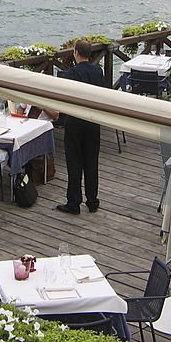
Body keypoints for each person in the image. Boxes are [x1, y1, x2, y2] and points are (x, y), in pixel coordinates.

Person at [55, 40, 106, 215]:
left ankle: (74, 202)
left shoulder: (70, 74)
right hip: (93, 121)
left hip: (75, 121)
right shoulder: (98, 71)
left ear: (76, 52)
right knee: (92, 162)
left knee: (74, 163)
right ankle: (92, 201)